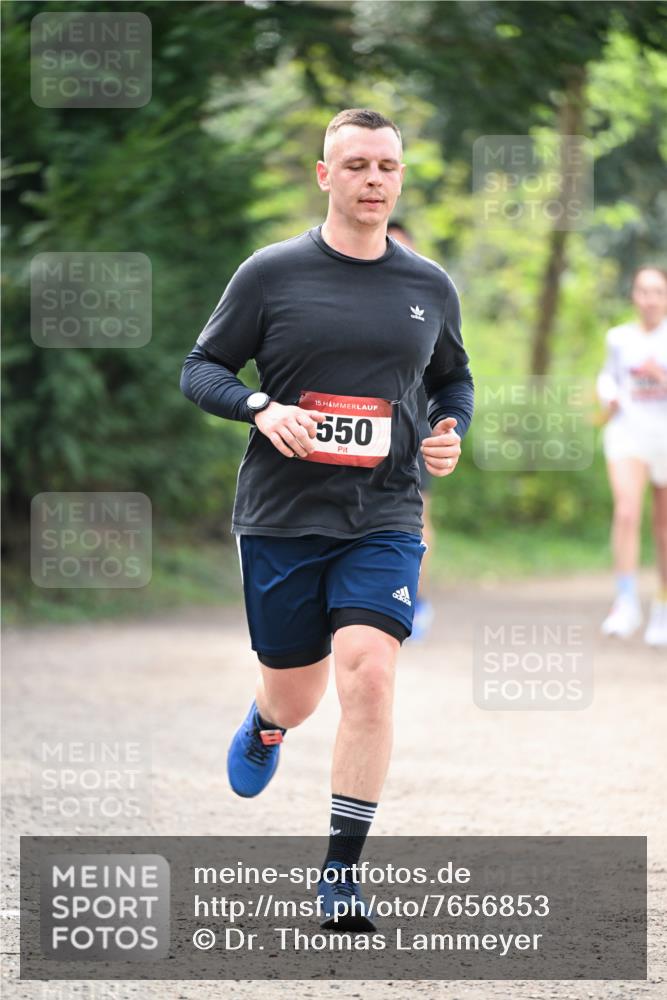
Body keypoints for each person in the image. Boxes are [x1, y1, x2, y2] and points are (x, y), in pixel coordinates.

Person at [180, 108, 474, 929]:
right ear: (324, 175)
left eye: (386, 166)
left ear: (399, 177)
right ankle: (269, 724)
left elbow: (454, 382)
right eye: (355, 166)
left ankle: (341, 872)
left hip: (383, 513)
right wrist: (257, 406)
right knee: (299, 696)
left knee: (370, 675)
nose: (373, 180)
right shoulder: (270, 274)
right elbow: (200, 368)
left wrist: (451, 433)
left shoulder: (426, 285)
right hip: (281, 517)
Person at [597, 265, 667, 646]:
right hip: (628, 434)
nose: (650, 299)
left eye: (658, 291)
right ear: (633, 296)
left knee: (663, 527)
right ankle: (625, 601)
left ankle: (662, 605)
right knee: (626, 512)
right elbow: (608, 376)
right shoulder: (619, 338)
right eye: (643, 291)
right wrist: (608, 393)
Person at [386, 220, 436, 640]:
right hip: (358, 429)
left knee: (419, 515)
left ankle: (413, 599)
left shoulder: (429, 294)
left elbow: (451, 371)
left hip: (413, 429)